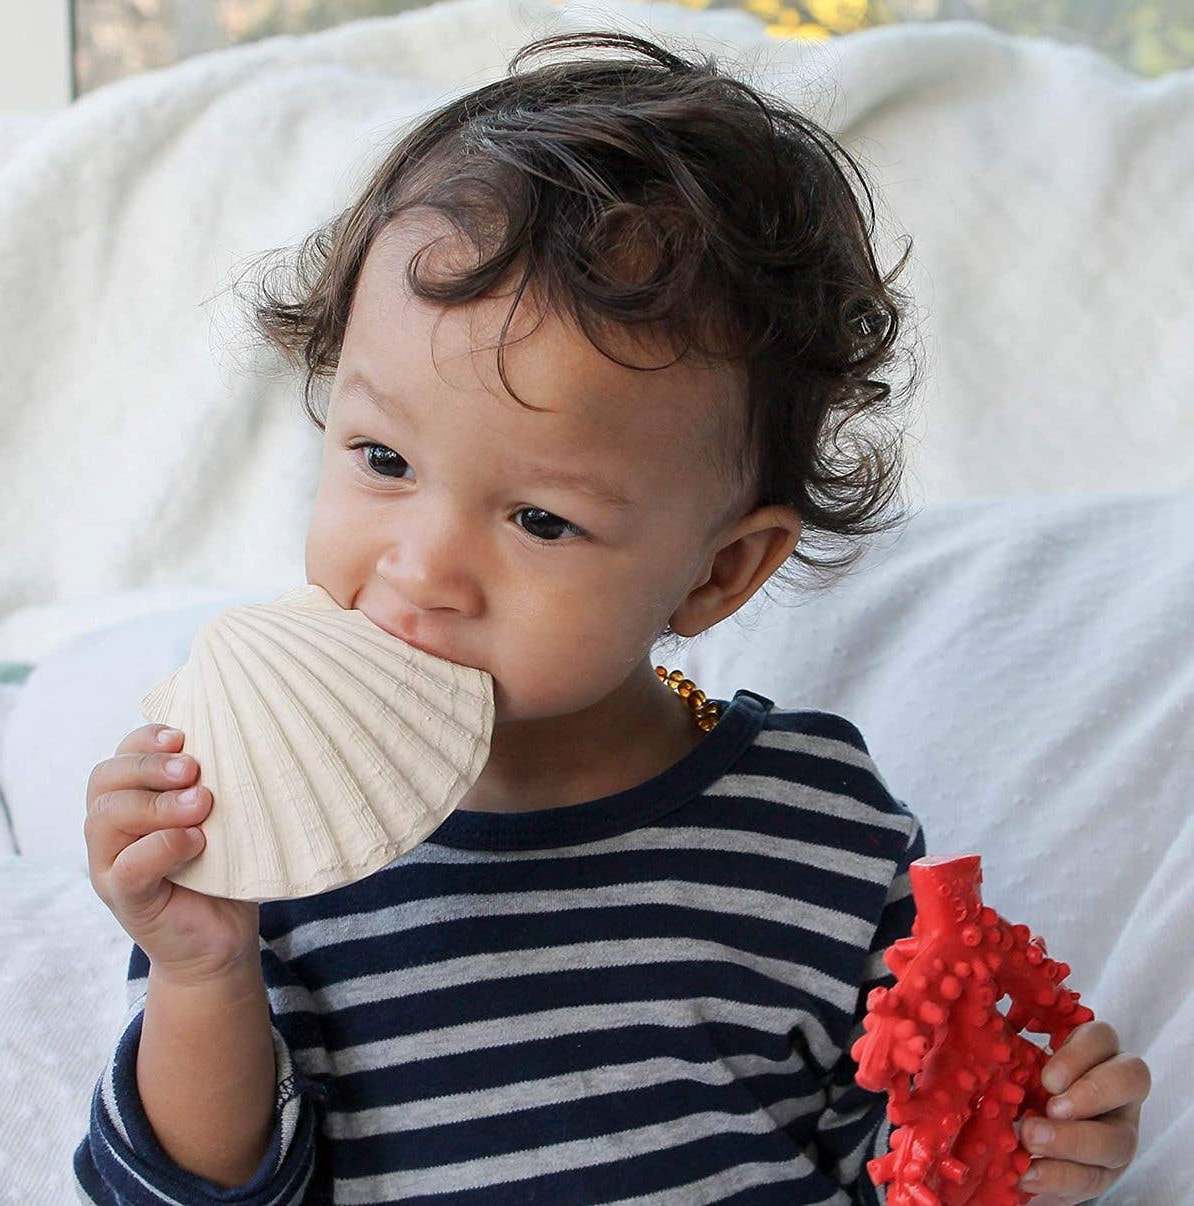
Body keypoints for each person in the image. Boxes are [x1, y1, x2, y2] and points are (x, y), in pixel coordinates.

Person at [73, 29, 1150, 1205]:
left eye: (541, 519)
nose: (422, 567)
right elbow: (186, 1192)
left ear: (718, 573)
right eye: (382, 457)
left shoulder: (818, 825)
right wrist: (201, 972)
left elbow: (898, 1166)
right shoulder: (258, 822)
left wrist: (1024, 1153)